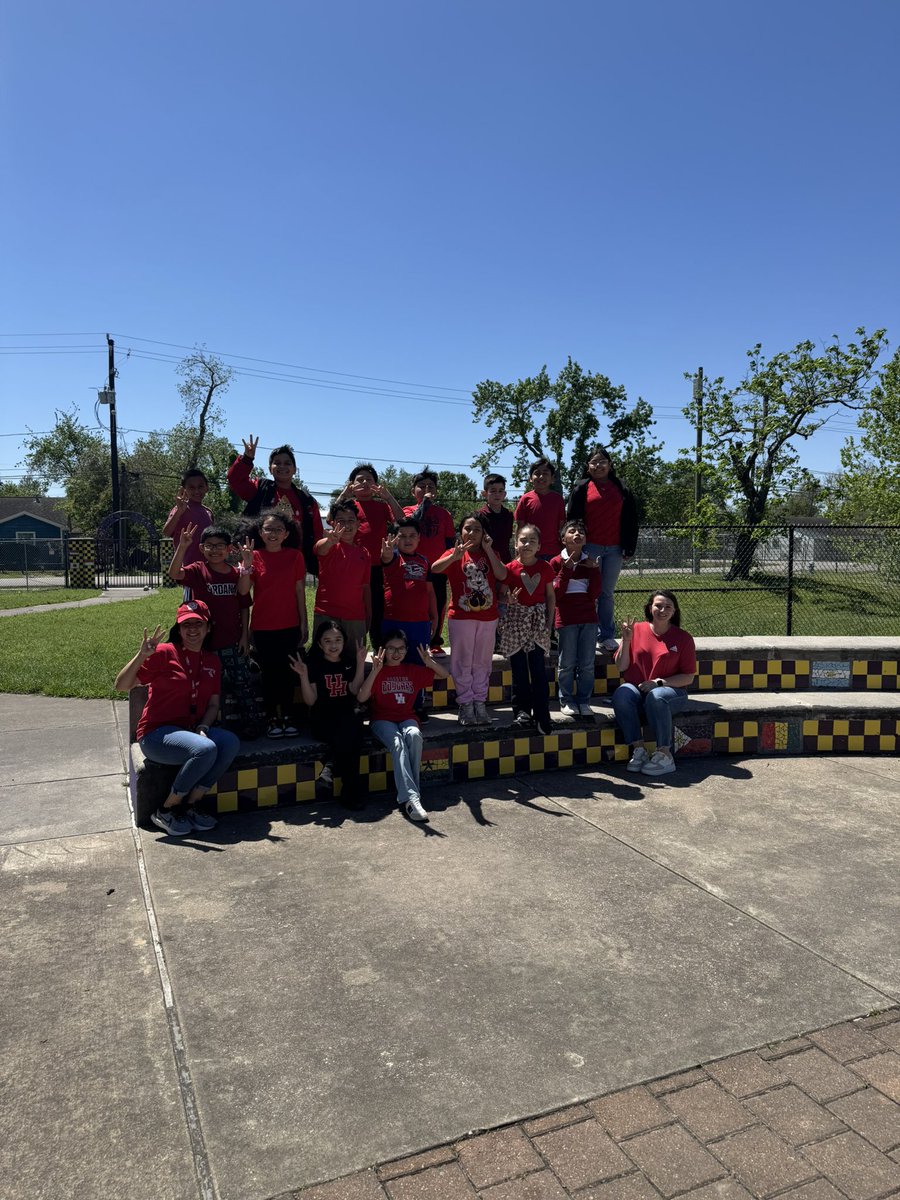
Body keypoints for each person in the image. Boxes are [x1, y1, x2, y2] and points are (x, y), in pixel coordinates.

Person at [115, 600, 240, 837]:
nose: (192, 630)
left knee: (229, 742)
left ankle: (192, 804)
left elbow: (213, 704)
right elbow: (121, 685)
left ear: (208, 627)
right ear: (179, 629)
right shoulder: (164, 653)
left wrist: (204, 726)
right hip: (156, 735)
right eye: (186, 625)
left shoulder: (212, 661)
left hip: (191, 730)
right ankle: (167, 808)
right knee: (205, 749)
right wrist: (141, 655)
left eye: (198, 624)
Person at [168, 523, 262, 739]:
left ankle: (253, 724)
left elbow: (244, 600)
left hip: (232, 640)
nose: (215, 550)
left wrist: (245, 637)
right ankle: (207, 724)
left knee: (242, 683)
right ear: (202, 548)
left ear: (230, 549)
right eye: (209, 545)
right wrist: (182, 547)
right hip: (203, 643)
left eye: (220, 545)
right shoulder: (197, 570)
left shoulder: (236, 573)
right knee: (207, 687)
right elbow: (175, 573)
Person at [357, 632, 450, 822]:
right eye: (391, 648)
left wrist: (429, 661)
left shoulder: (412, 670)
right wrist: (375, 670)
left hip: (407, 718)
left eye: (400, 648)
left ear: (406, 651)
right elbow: (361, 697)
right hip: (382, 720)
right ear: (382, 651)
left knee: (414, 735)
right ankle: (411, 798)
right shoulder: (379, 671)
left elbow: (445, 674)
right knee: (397, 742)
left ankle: (411, 795)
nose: (396, 653)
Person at [431, 512, 507, 726]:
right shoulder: (454, 553)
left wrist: (489, 549)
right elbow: (434, 568)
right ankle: (465, 704)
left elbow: (502, 575)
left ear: (484, 534)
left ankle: (480, 703)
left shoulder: (492, 553)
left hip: (488, 617)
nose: (472, 533)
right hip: (461, 616)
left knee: (482, 662)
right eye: (467, 528)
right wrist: (453, 557)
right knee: (462, 662)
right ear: (460, 532)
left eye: (477, 529)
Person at [237, 509, 308, 739]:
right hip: (263, 627)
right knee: (269, 676)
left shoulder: (295, 556)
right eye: (269, 529)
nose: (273, 533)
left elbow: (300, 592)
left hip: (289, 625)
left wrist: (304, 623)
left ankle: (287, 716)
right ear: (261, 531)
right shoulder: (253, 556)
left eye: (279, 529)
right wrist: (246, 565)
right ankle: (271, 718)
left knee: (288, 675)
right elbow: (243, 591)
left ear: (287, 533)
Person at [612, 590, 696, 778]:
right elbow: (621, 666)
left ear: (674, 611)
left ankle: (665, 755)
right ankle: (639, 750)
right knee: (621, 694)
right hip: (637, 690)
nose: (662, 610)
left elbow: (688, 677)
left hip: (670, 692)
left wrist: (659, 683)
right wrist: (626, 641)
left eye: (668, 607)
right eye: (658, 605)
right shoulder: (637, 629)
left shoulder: (683, 638)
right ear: (650, 608)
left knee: (657, 697)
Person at [566, 445, 639, 651]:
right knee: (590, 592)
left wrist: (629, 547)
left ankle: (606, 635)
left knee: (606, 593)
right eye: (594, 462)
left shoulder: (621, 487)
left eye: (602, 461)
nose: (598, 465)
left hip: (615, 548)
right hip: (590, 547)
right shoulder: (582, 488)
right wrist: (576, 544)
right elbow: (572, 518)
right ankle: (588, 633)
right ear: (588, 467)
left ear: (610, 465)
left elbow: (632, 519)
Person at [289, 621, 367, 811]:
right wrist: (303, 676)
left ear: (344, 641)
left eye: (338, 640)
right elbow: (310, 701)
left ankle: (331, 769)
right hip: (323, 721)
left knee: (352, 724)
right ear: (320, 644)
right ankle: (350, 792)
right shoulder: (314, 665)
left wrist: (360, 663)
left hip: (345, 721)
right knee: (352, 735)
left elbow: (355, 690)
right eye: (328, 641)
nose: (333, 645)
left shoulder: (348, 662)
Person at [334, 463, 405, 649]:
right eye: (360, 480)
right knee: (352, 607)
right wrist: (344, 494)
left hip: (377, 567)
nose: (365, 483)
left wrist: (388, 497)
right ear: (351, 484)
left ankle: (378, 649)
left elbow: (401, 520)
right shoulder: (348, 506)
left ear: (376, 485)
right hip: (351, 566)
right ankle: (349, 647)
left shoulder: (381, 506)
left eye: (369, 479)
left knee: (377, 609)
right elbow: (331, 518)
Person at [227, 436, 324, 573]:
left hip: (294, 560)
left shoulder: (307, 500)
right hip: (260, 559)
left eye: (287, 463)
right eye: (277, 463)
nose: (282, 466)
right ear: (270, 468)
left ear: (295, 469)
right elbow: (235, 480)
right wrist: (247, 459)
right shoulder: (260, 488)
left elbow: (317, 534)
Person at [498, 524, 555, 734]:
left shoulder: (545, 568)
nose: (527, 544)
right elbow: (501, 595)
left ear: (539, 546)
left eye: (532, 540)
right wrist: (507, 599)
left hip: (537, 624)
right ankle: (521, 711)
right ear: (515, 543)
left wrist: (549, 623)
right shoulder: (509, 568)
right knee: (519, 670)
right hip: (515, 623)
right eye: (523, 540)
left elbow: (550, 596)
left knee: (538, 670)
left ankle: (542, 713)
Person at [551, 520, 603, 719]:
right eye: (572, 531)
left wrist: (595, 570)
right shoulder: (556, 562)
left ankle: (584, 700)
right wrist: (567, 569)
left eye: (581, 531)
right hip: (567, 620)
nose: (577, 534)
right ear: (563, 539)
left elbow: (594, 594)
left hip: (588, 619)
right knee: (567, 663)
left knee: (587, 663)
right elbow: (557, 594)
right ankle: (566, 700)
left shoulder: (589, 561)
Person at [403, 466, 455, 653]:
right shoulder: (408, 510)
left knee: (438, 605)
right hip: (413, 567)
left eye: (431, 487)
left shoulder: (444, 514)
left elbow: (450, 542)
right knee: (415, 604)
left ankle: (435, 642)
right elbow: (412, 524)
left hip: (438, 568)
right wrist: (424, 504)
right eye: (422, 486)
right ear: (413, 491)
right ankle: (411, 640)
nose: (427, 490)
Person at [313, 499, 371, 647]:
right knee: (323, 660)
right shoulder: (329, 545)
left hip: (355, 616)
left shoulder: (364, 553)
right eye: (341, 521)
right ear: (332, 524)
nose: (346, 525)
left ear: (358, 524)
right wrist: (330, 541)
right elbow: (320, 548)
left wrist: (368, 615)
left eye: (351, 520)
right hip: (326, 614)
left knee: (354, 659)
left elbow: (365, 587)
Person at [513, 458, 566, 560]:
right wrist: (517, 548)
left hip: (553, 552)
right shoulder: (525, 499)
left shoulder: (558, 499)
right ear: (530, 478)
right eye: (537, 473)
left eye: (545, 473)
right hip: (530, 551)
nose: (541, 476)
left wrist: (564, 548)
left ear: (552, 478)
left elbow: (562, 527)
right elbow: (520, 526)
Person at [161, 469, 213, 566]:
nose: (197, 491)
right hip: (187, 569)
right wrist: (179, 511)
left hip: (208, 567)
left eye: (200, 486)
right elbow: (166, 532)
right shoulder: (180, 509)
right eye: (191, 488)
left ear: (207, 488)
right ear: (184, 490)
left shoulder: (208, 512)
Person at [478, 472, 514, 562]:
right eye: (493, 491)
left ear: (505, 494)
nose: (497, 494)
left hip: (505, 560)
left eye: (500, 491)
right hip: (485, 561)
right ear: (484, 494)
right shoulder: (479, 516)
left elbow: (508, 539)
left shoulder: (508, 515)